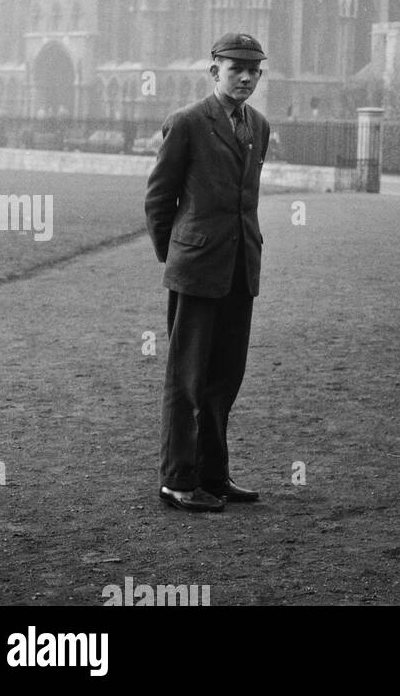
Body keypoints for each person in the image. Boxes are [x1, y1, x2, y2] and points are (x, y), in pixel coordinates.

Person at [145, 32, 271, 512]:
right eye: (235, 67)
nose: (244, 76)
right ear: (214, 70)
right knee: (187, 379)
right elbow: (159, 199)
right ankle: (178, 480)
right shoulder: (188, 123)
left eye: (253, 70)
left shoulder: (258, 125)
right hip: (197, 269)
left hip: (240, 268)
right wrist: (177, 256)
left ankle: (214, 476)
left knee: (225, 377)